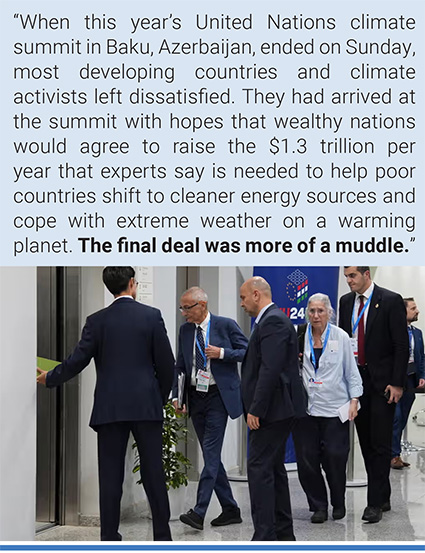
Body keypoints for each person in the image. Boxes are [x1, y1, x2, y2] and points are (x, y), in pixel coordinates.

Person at [36, 267, 174, 541]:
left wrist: (50, 377)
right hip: (146, 407)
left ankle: (109, 537)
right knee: (153, 473)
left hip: (109, 409)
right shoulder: (151, 316)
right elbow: (167, 365)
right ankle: (162, 536)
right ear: (133, 283)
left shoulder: (97, 321)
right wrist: (156, 399)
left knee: (110, 477)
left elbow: (78, 360)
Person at [172, 286, 248, 530]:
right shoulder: (185, 331)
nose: (183, 312)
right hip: (196, 397)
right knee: (210, 455)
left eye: (187, 307)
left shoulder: (225, 325)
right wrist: (178, 396)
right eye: (182, 307)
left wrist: (222, 353)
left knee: (211, 452)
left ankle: (199, 511)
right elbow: (180, 366)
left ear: (202, 305)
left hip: (218, 397)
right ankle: (230, 509)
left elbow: (248, 351)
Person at [339, 266, 409, 523]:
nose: (348, 281)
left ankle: (373, 504)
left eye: (352, 276)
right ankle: (384, 493)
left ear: (366, 274)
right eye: (346, 276)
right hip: (356, 382)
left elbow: (401, 345)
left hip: (382, 383)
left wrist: (398, 383)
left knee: (380, 443)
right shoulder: (346, 302)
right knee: (366, 442)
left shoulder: (389, 300)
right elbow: (344, 341)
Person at [239, 276, 305, 541]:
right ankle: (282, 534)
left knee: (259, 469)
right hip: (275, 409)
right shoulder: (269, 320)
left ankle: (264, 536)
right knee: (273, 469)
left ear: (256, 294)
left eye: (243, 297)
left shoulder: (274, 320)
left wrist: (256, 408)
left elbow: (270, 368)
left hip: (271, 411)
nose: (242, 303)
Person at [293, 293, 363, 523]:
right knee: (307, 461)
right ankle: (318, 505)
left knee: (335, 457)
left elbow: (351, 371)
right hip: (307, 410)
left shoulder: (340, 336)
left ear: (329, 313)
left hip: (335, 409)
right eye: (311, 311)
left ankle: (338, 501)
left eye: (320, 311)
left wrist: (354, 400)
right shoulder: (300, 335)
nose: (315, 315)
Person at [391, 298, 425, 469]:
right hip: (394, 381)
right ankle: (393, 455)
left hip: (411, 380)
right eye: (413, 308)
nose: (417, 311)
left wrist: (422, 375)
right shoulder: (392, 332)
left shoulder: (417, 333)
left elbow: (421, 356)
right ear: (403, 312)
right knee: (395, 418)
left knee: (403, 417)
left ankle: (394, 453)